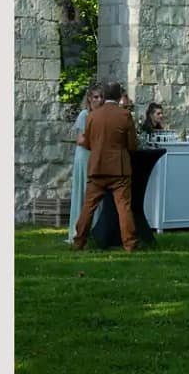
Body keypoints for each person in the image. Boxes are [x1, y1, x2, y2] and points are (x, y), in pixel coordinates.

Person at [71, 82, 142, 252]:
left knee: (88, 206)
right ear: (119, 97)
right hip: (119, 169)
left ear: (105, 95)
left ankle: (79, 241)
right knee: (124, 207)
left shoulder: (93, 115)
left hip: (97, 167)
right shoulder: (125, 115)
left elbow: (86, 143)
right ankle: (129, 244)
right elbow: (132, 145)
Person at [64, 86, 101, 244]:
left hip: (94, 155)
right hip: (84, 155)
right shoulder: (84, 115)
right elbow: (80, 139)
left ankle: (94, 228)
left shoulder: (99, 115)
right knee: (84, 191)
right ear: (89, 99)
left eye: (101, 97)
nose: (98, 100)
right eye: (96, 97)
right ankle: (78, 229)